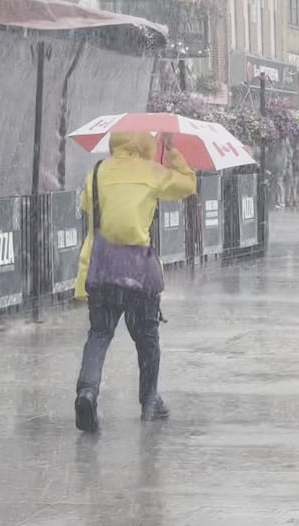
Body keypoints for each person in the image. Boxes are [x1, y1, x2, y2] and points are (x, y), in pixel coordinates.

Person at [73, 131, 197, 432]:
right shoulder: (153, 172)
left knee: (100, 334)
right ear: (144, 144)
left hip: (101, 268)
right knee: (147, 338)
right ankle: (149, 401)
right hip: (138, 271)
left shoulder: (98, 171)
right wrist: (171, 150)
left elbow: (86, 205)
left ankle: (87, 391)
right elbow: (188, 184)